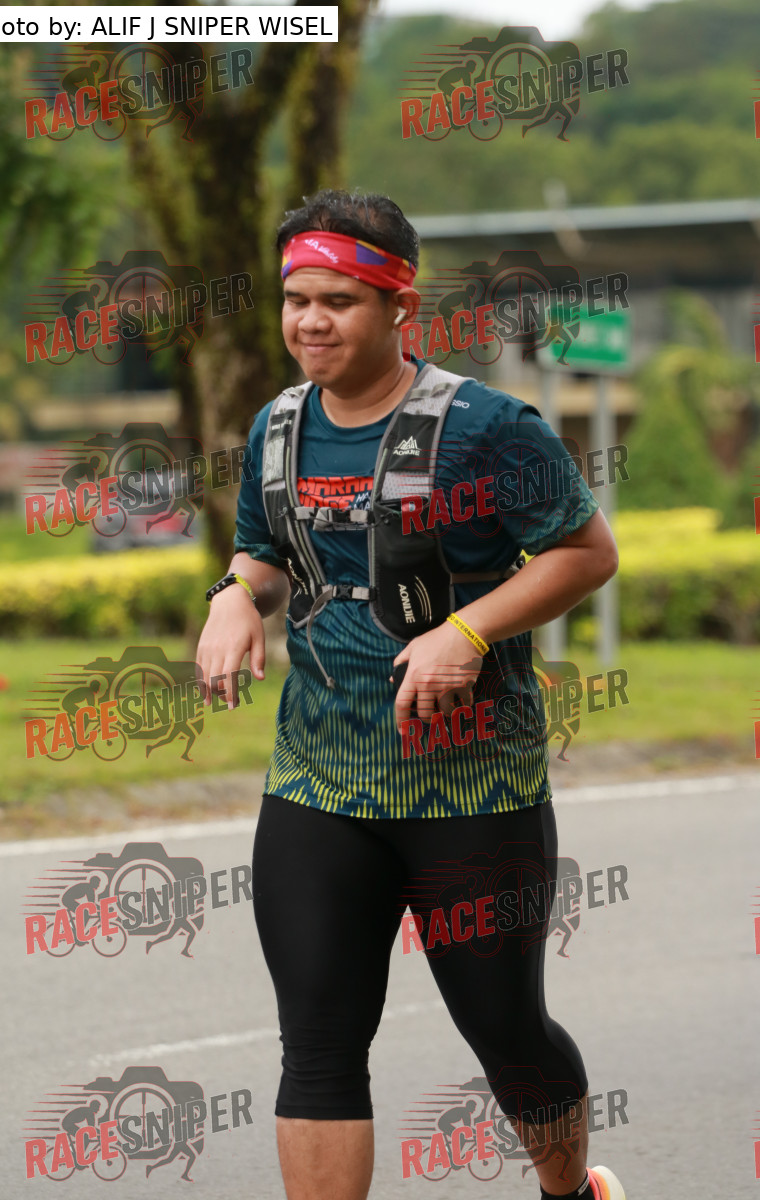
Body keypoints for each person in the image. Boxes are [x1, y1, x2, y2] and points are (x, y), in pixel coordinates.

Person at [196, 189, 625, 1200]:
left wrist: (466, 632)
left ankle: (571, 1192)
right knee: (317, 1042)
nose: (310, 322)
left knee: (506, 1031)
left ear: (399, 306)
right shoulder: (277, 428)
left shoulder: (487, 427)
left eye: (338, 301)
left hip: (472, 785)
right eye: (297, 300)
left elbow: (584, 553)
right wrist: (233, 597)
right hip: (318, 779)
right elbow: (264, 553)